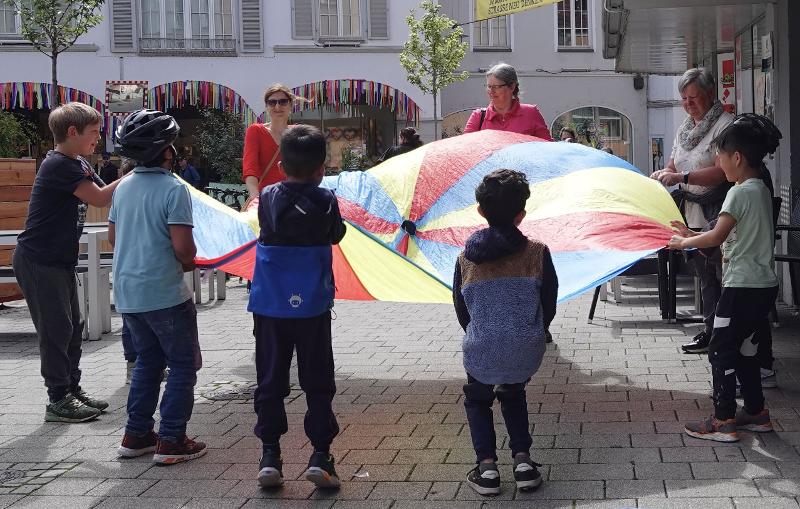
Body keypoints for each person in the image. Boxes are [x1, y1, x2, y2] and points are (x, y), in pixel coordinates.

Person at [667, 114, 782, 442]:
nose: (718, 162)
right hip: (763, 286)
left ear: (737, 158)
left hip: (740, 286)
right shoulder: (759, 189)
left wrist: (685, 242)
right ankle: (757, 413)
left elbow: (716, 237)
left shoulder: (737, 193)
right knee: (747, 349)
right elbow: (731, 234)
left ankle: (723, 420)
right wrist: (690, 231)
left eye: (719, 156)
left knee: (720, 349)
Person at [247, 125, 346, 489]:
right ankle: (321, 454)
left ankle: (270, 455)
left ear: (282, 164)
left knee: (270, 379)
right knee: (318, 380)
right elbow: (335, 234)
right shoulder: (327, 199)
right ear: (322, 166)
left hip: (271, 306)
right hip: (312, 306)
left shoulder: (269, 196)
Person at [12, 102, 123, 423]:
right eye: (93, 133)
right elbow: (101, 198)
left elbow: (101, 191)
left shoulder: (77, 162)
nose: (97, 139)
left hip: (58, 260)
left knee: (74, 327)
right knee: (56, 329)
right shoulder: (60, 164)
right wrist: (135, 171)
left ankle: (72, 389)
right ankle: (58, 398)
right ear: (72, 132)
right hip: (38, 260)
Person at [453, 169, 558, 496]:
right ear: (521, 214)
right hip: (526, 346)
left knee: (477, 398)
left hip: (482, 344)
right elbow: (549, 302)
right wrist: (536, 331)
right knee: (513, 392)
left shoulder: (465, 258)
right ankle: (523, 462)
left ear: (480, 211)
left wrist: (480, 330)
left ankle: (486, 469)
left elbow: (460, 307)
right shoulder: (538, 252)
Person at [111, 109, 206, 465]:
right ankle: (171, 440)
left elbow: (113, 236)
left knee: (148, 362)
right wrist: (192, 261)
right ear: (167, 152)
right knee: (183, 364)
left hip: (128, 294)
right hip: (165, 294)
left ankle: (136, 434)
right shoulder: (174, 189)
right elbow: (182, 248)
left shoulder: (124, 187)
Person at [650, 68, 734, 355]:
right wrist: (664, 173)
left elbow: (724, 172)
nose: (688, 103)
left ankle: (724, 333)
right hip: (691, 207)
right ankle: (712, 330)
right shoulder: (684, 128)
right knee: (703, 272)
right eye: (684, 98)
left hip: (717, 206)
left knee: (719, 271)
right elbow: (673, 166)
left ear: (710, 95)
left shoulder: (725, 124)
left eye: (694, 97)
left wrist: (682, 178)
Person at [463, 63, 552, 140]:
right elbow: (466, 149)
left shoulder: (531, 113)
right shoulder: (478, 117)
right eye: (489, 86)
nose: (491, 91)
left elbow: (547, 147)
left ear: (512, 87)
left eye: (496, 86)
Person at [243, 84, 294, 206]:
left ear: (290, 105)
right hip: (265, 200)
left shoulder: (297, 133)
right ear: (266, 106)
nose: (277, 106)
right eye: (272, 102)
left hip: (293, 200)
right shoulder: (255, 131)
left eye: (283, 102)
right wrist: (256, 200)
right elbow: (250, 169)